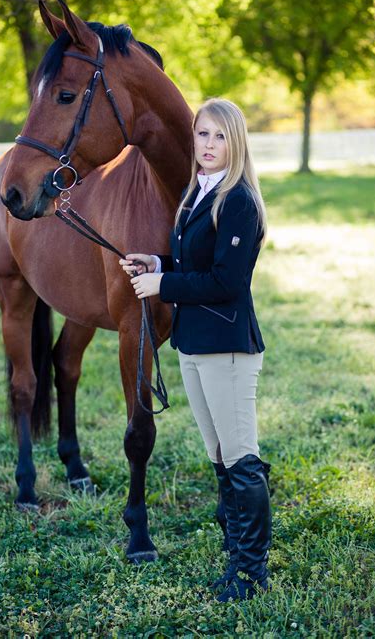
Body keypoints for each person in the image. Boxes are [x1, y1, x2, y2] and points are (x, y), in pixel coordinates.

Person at [119, 98, 271, 602]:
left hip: (228, 347)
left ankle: (251, 574)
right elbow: (191, 258)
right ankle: (235, 558)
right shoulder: (196, 192)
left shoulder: (239, 201)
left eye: (219, 137)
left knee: (242, 459)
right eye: (202, 135)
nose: (208, 145)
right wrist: (156, 260)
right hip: (193, 344)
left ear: (236, 143)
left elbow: (226, 281)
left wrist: (164, 284)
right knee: (220, 458)